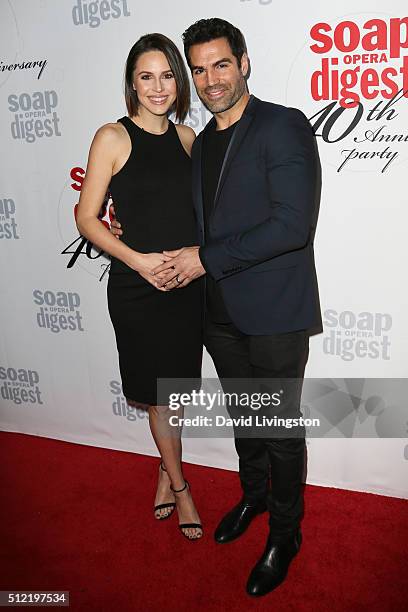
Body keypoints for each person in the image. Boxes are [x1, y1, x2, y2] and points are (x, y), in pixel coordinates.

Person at [111, 17, 322, 596]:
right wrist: (124, 222)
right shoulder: (197, 143)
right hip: (218, 313)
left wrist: (205, 258)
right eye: (199, 69)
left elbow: (291, 225)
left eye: (221, 64)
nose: (210, 79)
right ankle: (253, 497)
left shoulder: (283, 125)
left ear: (245, 62)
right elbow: (173, 209)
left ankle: (286, 531)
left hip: (274, 309)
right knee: (246, 419)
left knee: (277, 426)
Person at [76, 33, 204, 541]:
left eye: (168, 74)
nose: (158, 86)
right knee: (158, 398)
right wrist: (137, 260)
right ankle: (181, 487)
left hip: (185, 287)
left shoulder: (189, 140)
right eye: (146, 76)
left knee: (175, 397)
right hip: (137, 290)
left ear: (180, 80)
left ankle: (163, 467)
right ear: (132, 82)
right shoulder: (112, 136)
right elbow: (87, 218)